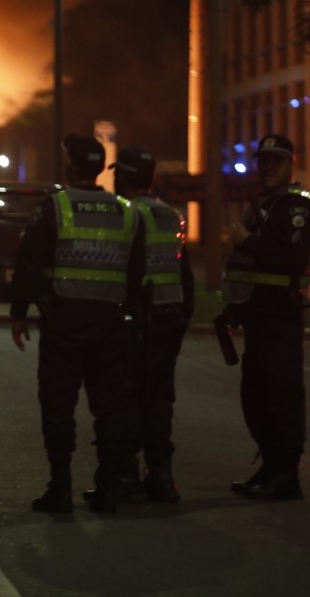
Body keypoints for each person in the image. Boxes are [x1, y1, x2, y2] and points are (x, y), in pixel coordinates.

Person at [10, 133, 140, 514]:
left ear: (69, 166)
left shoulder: (56, 207)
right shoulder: (126, 211)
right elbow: (137, 271)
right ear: (99, 167)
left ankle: (61, 487)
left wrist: (19, 312)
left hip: (65, 321)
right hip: (110, 322)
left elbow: (30, 261)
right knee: (109, 407)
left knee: (58, 404)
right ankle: (109, 488)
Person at [221, 133, 310, 501]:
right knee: (256, 396)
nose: (268, 167)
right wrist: (233, 310)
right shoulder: (263, 204)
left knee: (281, 397)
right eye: (263, 160)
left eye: (276, 160)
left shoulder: (297, 206)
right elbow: (248, 270)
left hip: (281, 316)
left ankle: (286, 475)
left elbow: (288, 260)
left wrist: (246, 239)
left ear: (291, 163)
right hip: (258, 316)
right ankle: (271, 465)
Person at [111, 145, 194, 503]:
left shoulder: (127, 215)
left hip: (137, 320)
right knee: (159, 397)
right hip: (168, 319)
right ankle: (161, 473)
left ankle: (127, 475)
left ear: (123, 177)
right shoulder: (170, 215)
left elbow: (125, 270)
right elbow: (185, 275)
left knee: (128, 394)